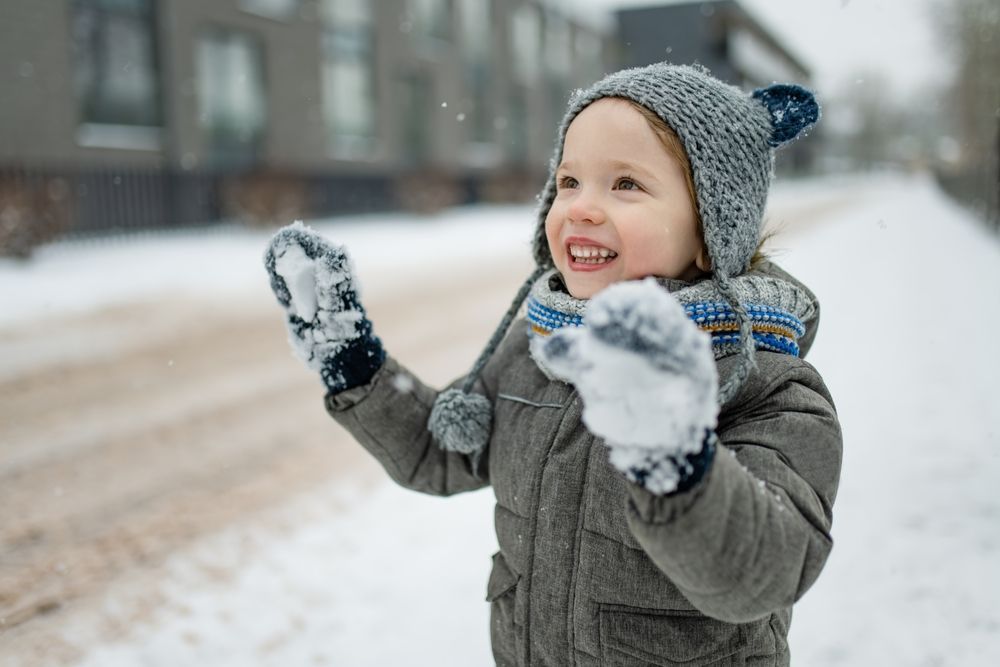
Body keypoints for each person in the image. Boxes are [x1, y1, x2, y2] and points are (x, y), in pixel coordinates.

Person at [263, 63, 842, 666]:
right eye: (569, 181)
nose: (581, 207)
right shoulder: (535, 351)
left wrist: (675, 452)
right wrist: (352, 360)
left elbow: (763, 573)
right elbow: (441, 452)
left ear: (712, 233)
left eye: (626, 184)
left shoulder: (768, 387)